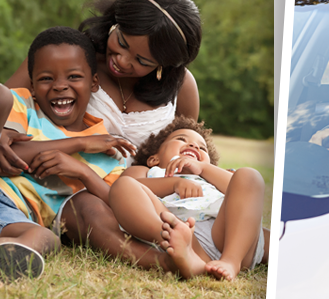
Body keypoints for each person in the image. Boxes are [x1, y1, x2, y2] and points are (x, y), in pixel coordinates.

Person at [0, 0, 204, 274]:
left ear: (164, 65)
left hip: (143, 195)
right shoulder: (69, 55)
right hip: (66, 190)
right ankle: (166, 261)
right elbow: (3, 106)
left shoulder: (183, 88)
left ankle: (192, 250)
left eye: (142, 61)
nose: (122, 61)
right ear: (115, 20)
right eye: (122, 42)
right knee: (90, 210)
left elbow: (186, 145)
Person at [0, 26, 133, 279]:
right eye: (47, 78)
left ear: (93, 82)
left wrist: (82, 171)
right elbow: (9, 155)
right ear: (33, 85)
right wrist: (79, 144)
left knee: (45, 238)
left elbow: (118, 207)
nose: (60, 86)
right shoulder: (24, 104)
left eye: (73, 77)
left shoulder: (109, 155)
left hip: (8, 218)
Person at [109, 117, 268, 280]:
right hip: (181, 235)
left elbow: (247, 193)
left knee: (249, 175)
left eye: (202, 148)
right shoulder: (150, 171)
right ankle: (189, 256)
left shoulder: (213, 175)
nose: (193, 146)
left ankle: (230, 261)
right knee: (124, 185)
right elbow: (132, 188)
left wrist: (204, 169)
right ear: (154, 158)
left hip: (228, 237)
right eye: (181, 139)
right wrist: (174, 183)